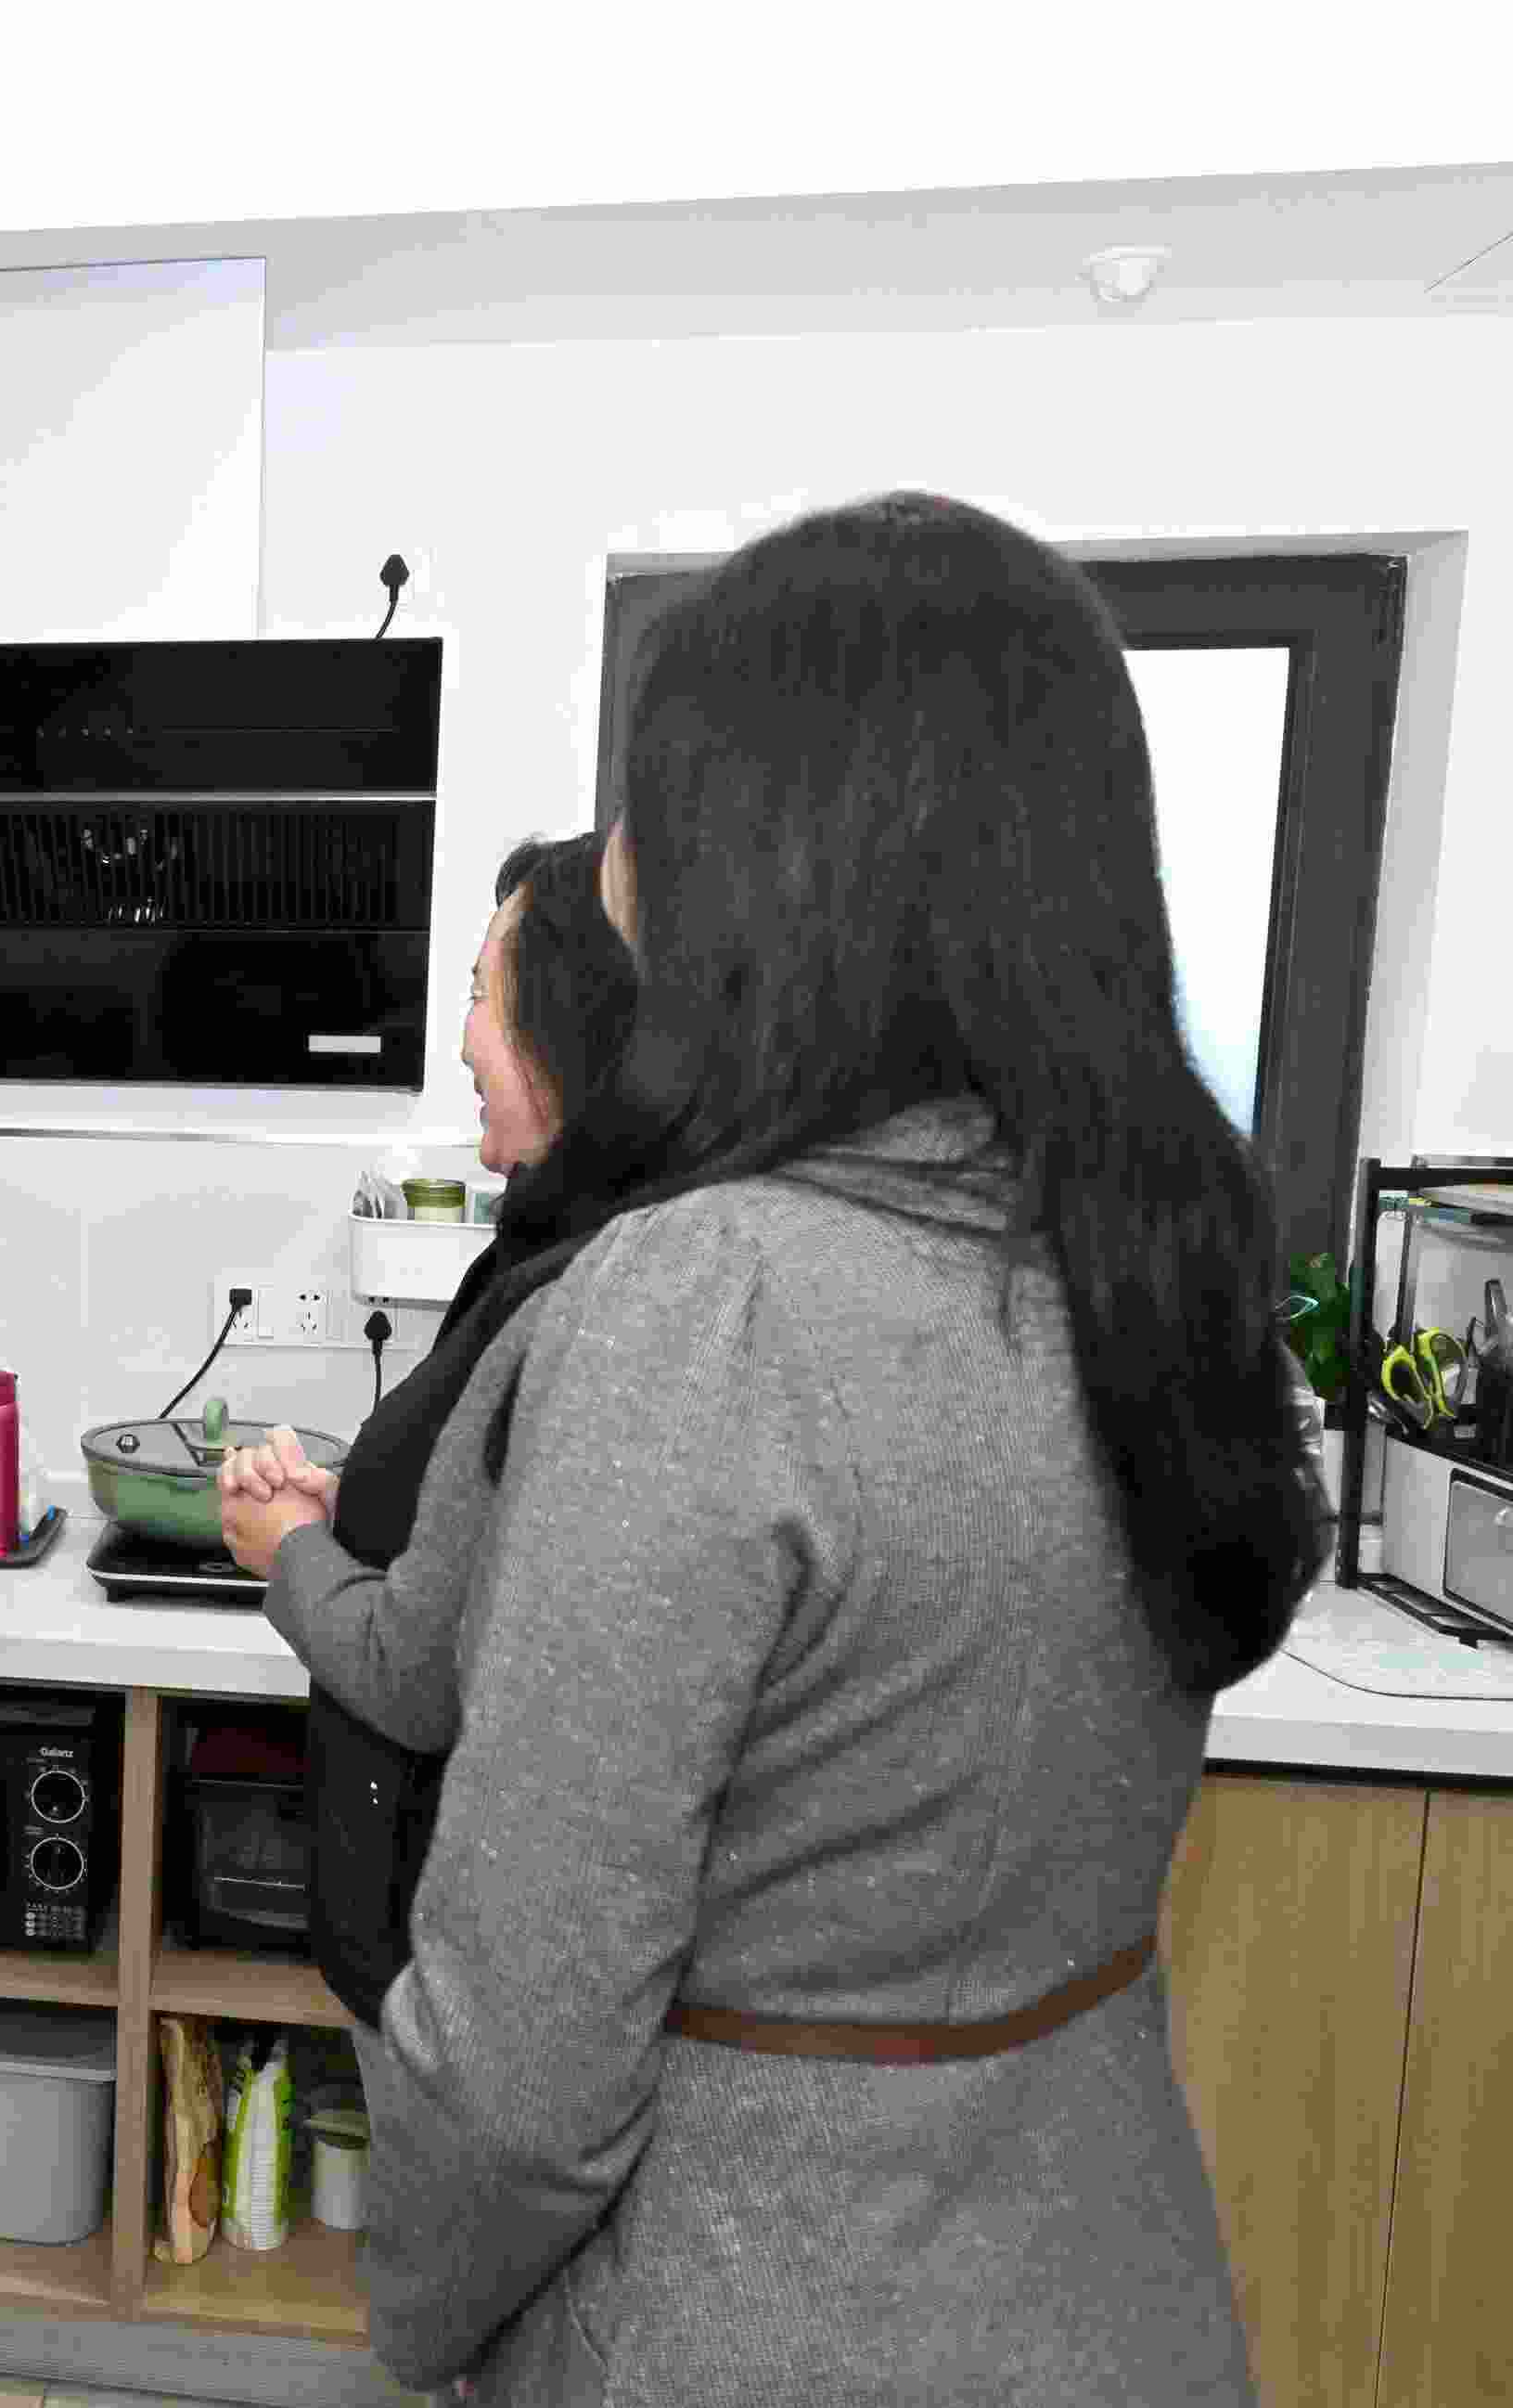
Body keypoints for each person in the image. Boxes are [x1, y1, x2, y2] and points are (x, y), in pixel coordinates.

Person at [224, 493, 1321, 2403]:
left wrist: (423, 2316)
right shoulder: (1156, 1255)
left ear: (764, 870)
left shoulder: (709, 1300)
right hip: (1112, 2279)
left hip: (753, 2304)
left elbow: (522, 2069)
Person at [219, 831, 637, 2023]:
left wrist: (288, 1551)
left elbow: (421, 1673)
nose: (460, 1037)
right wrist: (344, 1507)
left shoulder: (588, 1288)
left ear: (567, 1023)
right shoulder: (533, 1246)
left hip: (460, 1977)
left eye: (480, 992)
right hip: (420, 1945)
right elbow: (474, 1531)